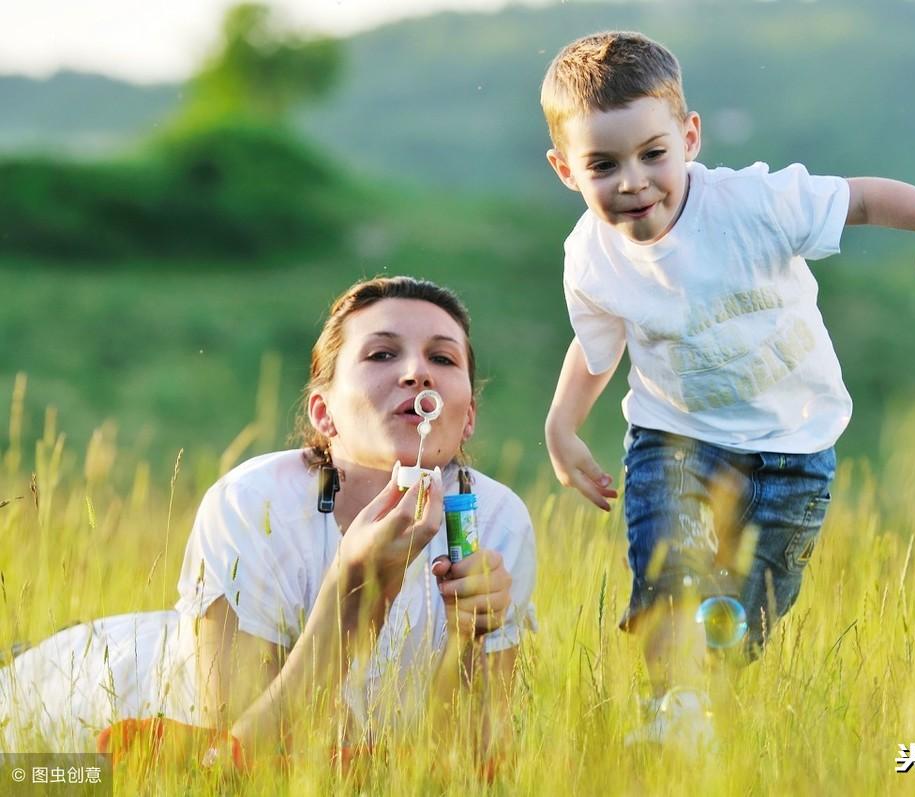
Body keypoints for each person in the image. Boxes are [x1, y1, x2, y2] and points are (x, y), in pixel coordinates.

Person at [539, 31, 915, 750]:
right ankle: (670, 709)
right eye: (603, 165)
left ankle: (705, 698)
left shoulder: (753, 204)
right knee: (668, 566)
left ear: (690, 136)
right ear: (564, 171)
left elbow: (864, 199)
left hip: (794, 447)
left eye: (653, 154)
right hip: (673, 436)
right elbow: (597, 347)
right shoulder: (589, 255)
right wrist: (562, 424)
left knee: (751, 606)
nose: (633, 181)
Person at [0, 276, 536, 772]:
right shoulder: (252, 503)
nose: (417, 372)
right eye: (381, 353)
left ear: (467, 417)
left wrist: (468, 639)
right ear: (324, 414)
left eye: (442, 358)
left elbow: (464, 765)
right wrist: (350, 599)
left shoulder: (495, 520)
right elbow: (242, 760)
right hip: (78, 721)